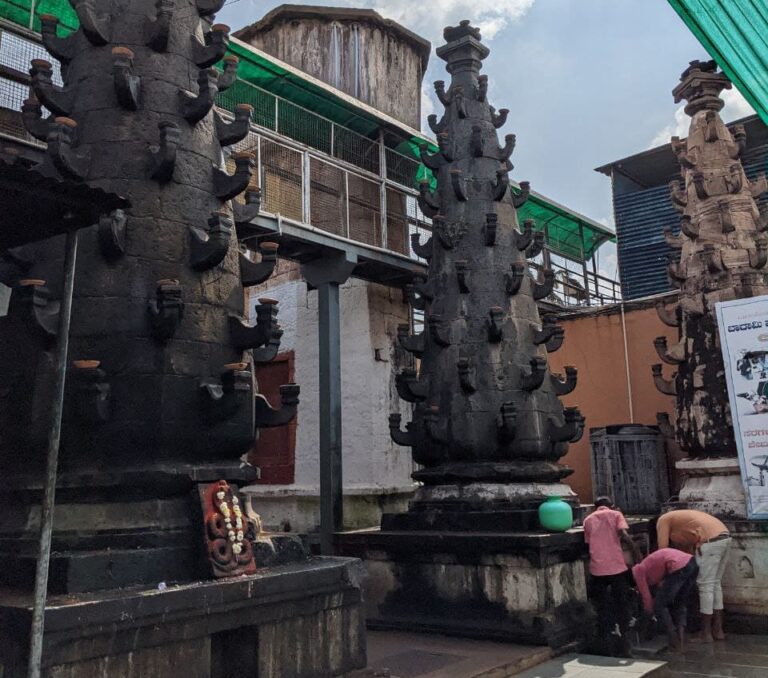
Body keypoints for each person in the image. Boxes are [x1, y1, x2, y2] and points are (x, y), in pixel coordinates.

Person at [656, 509, 731, 642]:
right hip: (725, 537)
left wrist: (662, 578)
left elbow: (663, 552)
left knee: (705, 586)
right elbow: (687, 551)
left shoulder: (663, 520)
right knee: (715, 584)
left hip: (709, 541)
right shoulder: (682, 520)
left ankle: (706, 633)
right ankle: (718, 630)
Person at [583, 497, 642, 654]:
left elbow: (588, 542)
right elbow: (624, 534)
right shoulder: (616, 515)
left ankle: (606, 638)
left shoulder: (588, 520)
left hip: (597, 568)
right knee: (622, 602)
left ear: (595, 507)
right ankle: (625, 640)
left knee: (602, 604)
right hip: (616, 567)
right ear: (611, 506)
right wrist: (636, 554)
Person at [632, 547, 698, 652]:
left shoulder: (637, 571)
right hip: (692, 563)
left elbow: (647, 600)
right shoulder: (649, 569)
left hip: (678, 566)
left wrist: (644, 618)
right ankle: (681, 641)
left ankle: (674, 641)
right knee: (679, 603)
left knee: (659, 605)